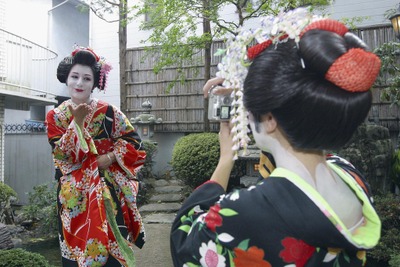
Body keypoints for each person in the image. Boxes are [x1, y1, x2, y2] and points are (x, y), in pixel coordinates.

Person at [170, 8, 382, 267]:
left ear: (269, 119)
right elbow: (299, 127)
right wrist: (259, 85)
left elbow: (185, 242)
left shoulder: (246, 212)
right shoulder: (350, 175)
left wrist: (226, 158)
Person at [46, 46, 146, 267]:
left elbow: (134, 142)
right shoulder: (55, 116)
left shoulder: (110, 112)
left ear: (95, 83)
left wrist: (109, 157)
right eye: (75, 76)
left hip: (108, 191)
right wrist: (78, 123)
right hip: (74, 197)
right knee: (76, 253)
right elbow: (62, 154)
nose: (79, 83)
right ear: (66, 79)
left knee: (112, 255)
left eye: (86, 78)